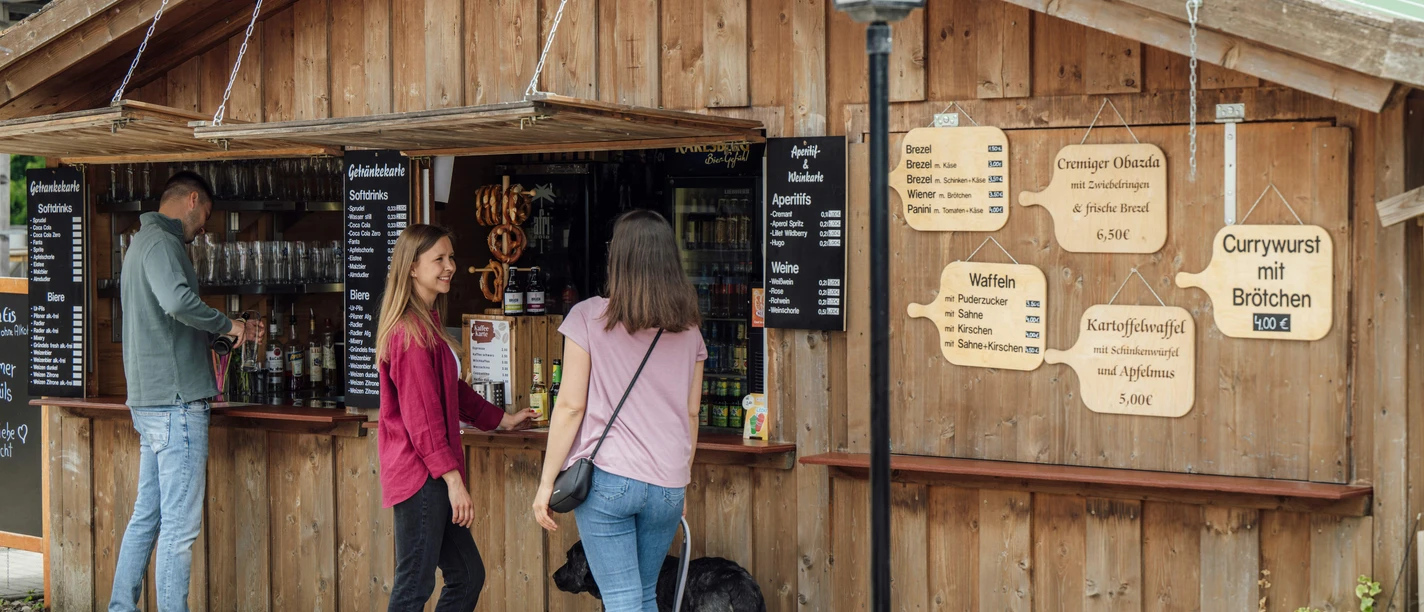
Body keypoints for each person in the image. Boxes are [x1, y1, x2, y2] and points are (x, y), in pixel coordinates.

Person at [532, 210, 706, 612]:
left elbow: (572, 406)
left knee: (623, 599)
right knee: (644, 594)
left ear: (619, 259)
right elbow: (691, 413)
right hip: (668, 482)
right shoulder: (690, 329)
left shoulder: (588, 317)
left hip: (609, 479)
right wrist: (682, 479)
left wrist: (545, 485)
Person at [111, 171, 257, 612]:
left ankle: (121, 608)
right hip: (176, 404)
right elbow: (176, 302)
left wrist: (215, 334)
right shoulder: (162, 243)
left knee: (147, 519)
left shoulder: (141, 242)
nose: (205, 226)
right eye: (206, 215)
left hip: (151, 401)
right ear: (192, 200)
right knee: (178, 530)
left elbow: (167, 317)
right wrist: (228, 324)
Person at [377, 224, 535, 611]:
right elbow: (423, 418)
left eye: (451, 257)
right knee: (413, 587)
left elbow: (452, 391)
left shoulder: (426, 321)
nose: (450, 266)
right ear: (412, 268)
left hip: (432, 473)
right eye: (439, 260)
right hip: (422, 477)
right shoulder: (410, 334)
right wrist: (453, 481)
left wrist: (502, 419)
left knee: (467, 575)